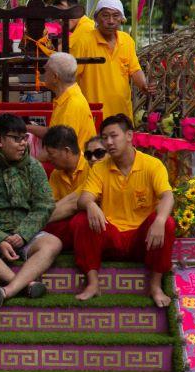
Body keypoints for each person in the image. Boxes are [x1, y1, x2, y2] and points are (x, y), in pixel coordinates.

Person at [73, 114, 176, 307]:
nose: (109, 142)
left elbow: (167, 196)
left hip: (142, 239)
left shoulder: (152, 165)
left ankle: (155, 286)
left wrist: (160, 220)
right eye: (105, 138)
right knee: (81, 218)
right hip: (111, 235)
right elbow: (85, 198)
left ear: (129, 136)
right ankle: (93, 283)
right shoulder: (100, 168)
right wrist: (91, 205)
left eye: (114, 136)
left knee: (167, 223)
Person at [0, 113, 61, 307]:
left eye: (25, 138)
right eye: (16, 139)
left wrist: (23, 234)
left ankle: (7, 290)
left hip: (26, 234)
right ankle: (25, 285)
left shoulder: (33, 166)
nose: (23, 144)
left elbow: (45, 205)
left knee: (53, 243)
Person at [70, 0, 155, 121]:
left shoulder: (127, 41)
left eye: (116, 16)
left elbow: (135, 70)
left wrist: (144, 85)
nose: (111, 21)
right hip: (93, 114)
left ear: (122, 19)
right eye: (105, 15)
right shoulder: (83, 41)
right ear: (96, 18)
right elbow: (71, 76)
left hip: (121, 115)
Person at [26, 52, 97, 153]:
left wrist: (32, 163)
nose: (43, 73)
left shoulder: (72, 105)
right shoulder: (67, 97)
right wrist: (25, 127)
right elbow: (53, 133)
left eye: (46, 70)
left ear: (55, 77)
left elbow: (60, 151)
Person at [41, 125, 89, 248]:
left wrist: (33, 222)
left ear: (67, 151)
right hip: (62, 220)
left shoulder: (92, 166)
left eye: (51, 154)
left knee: (80, 221)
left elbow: (74, 203)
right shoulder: (56, 173)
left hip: (86, 220)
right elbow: (49, 204)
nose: (48, 159)